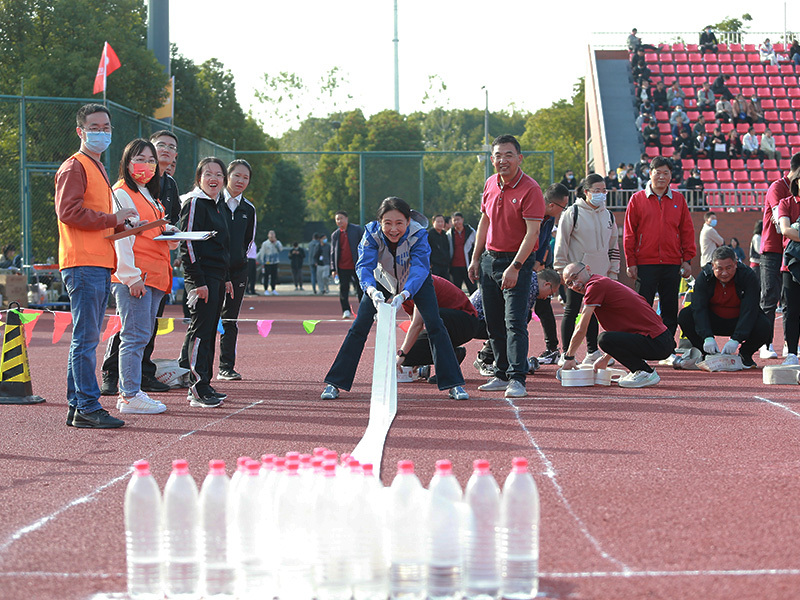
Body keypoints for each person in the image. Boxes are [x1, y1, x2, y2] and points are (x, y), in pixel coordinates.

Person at [320, 197, 469, 401]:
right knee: (359, 326)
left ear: (408, 221)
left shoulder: (418, 234)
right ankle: (335, 383)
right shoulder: (371, 234)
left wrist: (406, 293)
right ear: (380, 222)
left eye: (399, 223)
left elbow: (419, 267)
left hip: (417, 281)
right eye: (387, 223)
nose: (393, 229)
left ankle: (454, 384)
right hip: (382, 279)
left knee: (435, 324)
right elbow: (364, 265)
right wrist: (371, 290)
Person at [55, 103, 138, 428]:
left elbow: (91, 216)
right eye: (95, 126)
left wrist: (120, 227)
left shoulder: (96, 168)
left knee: (85, 336)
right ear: (80, 130)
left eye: (106, 127)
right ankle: (87, 405)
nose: (102, 132)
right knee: (86, 338)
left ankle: (79, 405)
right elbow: (69, 212)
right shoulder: (75, 166)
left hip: (98, 261)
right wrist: (113, 219)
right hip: (83, 262)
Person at [101, 129, 182, 397]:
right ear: (126, 162)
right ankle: (130, 394)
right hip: (138, 277)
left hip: (156, 276)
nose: (146, 165)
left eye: (150, 160)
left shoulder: (150, 194)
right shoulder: (122, 193)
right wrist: (130, 275)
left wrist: (171, 236)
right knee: (134, 338)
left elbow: (152, 232)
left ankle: (133, 391)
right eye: (140, 158)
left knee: (142, 337)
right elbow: (120, 238)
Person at [467, 134, 545, 399]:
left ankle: (517, 378)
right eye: (498, 155)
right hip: (489, 260)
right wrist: (476, 257)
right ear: (492, 159)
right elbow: (484, 223)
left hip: (516, 262)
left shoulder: (531, 189)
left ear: (519, 158)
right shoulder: (490, 183)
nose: (503, 160)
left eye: (508, 155)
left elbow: (532, 233)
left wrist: (516, 266)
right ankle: (500, 374)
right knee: (494, 321)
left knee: (515, 322)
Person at [560, 262, 673, 388]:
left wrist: (569, 357)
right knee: (609, 339)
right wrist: (605, 359)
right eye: (569, 283)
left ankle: (644, 372)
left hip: (657, 341)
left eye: (575, 277)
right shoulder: (600, 282)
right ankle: (640, 370)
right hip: (661, 340)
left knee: (604, 339)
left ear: (587, 268)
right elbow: (624, 333)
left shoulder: (595, 286)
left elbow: (581, 327)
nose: (575, 285)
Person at [178, 157, 233, 407]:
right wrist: (198, 281)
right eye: (208, 174)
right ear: (199, 177)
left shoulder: (217, 205)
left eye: (219, 175)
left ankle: (205, 384)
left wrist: (227, 278)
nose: (214, 179)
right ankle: (196, 388)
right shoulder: (194, 203)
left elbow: (222, 246)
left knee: (210, 331)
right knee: (201, 332)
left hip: (217, 277)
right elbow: (186, 242)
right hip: (202, 279)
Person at [624, 156, 696, 341]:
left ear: (671, 175)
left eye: (666, 173)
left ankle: (666, 344)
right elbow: (629, 233)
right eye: (658, 172)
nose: (662, 177)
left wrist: (687, 260)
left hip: (672, 262)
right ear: (650, 173)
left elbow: (687, 230)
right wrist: (630, 262)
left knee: (670, 307)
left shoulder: (679, 200)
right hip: (644, 263)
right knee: (642, 306)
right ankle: (640, 341)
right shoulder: (637, 199)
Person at [554, 172, 620, 366]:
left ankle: (592, 351)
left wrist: (613, 270)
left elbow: (613, 245)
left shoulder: (608, 215)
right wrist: (561, 269)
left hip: (600, 275)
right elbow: (562, 242)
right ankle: (566, 352)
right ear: (586, 192)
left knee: (594, 312)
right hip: (577, 275)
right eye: (596, 190)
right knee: (572, 311)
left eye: (603, 190)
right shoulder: (572, 213)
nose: (601, 194)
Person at [676, 246, 770, 370]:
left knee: (764, 324)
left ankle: (745, 354)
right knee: (685, 316)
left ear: (736, 264)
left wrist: (736, 339)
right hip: (713, 320)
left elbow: (750, 309)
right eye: (719, 268)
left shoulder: (748, 276)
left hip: (738, 320)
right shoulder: (704, 277)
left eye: (729, 268)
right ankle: (707, 353)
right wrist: (707, 337)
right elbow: (699, 308)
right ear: (712, 266)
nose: (724, 273)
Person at [470, 268, 563, 374]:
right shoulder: (531, 287)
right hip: (477, 321)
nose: (546, 297)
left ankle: (495, 355)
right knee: (514, 324)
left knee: (519, 319)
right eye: (550, 293)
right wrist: (520, 362)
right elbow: (518, 327)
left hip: (476, 317)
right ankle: (485, 359)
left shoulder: (528, 277)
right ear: (546, 284)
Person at [396, 275, 481, 383]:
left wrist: (402, 353)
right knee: (409, 357)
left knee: (432, 315)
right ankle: (454, 354)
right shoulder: (405, 296)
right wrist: (415, 356)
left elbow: (417, 325)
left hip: (465, 322)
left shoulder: (420, 283)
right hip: (445, 322)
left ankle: (447, 371)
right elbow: (416, 328)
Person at [217, 159, 257, 381]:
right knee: (204, 319)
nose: (241, 181)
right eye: (237, 176)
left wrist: (235, 267)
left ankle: (226, 366)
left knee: (230, 319)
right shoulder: (213, 203)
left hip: (238, 270)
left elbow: (248, 242)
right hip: (213, 271)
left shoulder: (248, 209)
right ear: (227, 176)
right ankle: (189, 366)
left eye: (245, 177)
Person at [758, 153, 800, 360]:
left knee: (789, 300)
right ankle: (765, 344)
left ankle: (788, 343)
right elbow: (779, 221)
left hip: (792, 249)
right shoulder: (777, 188)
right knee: (769, 297)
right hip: (774, 249)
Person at [533, 183, 568, 364]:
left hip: (537, 267)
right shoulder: (533, 211)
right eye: (563, 207)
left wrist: (540, 265)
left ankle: (552, 349)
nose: (564, 212)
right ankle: (494, 352)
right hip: (519, 265)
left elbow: (545, 242)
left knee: (544, 306)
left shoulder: (550, 218)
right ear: (553, 205)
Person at [777, 166, 800, 365]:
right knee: (792, 310)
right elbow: (786, 230)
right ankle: (792, 352)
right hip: (792, 264)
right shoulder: (785, 203)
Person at [330, 210, 364, 318]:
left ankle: (364, 311)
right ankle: (346, 310)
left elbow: (365, 246)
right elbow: (332, 252)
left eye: (341, 218)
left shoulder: (357, 230)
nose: (339, 221)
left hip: (357, 266)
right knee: (343, 290)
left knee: (361, 289)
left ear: (346, 219)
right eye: (337, 219)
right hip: (342, 267)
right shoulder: (335, 235)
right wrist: (333, 269)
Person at [446, 212, 477, 294]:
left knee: (473, 289)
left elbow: (477, 246)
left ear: (462, 220)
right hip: (454, 267)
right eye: (454, 220)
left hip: (469, 266)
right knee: (456, 291)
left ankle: (475, 307)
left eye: (458, 219)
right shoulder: (449, 234)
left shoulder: (471, 232)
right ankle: (458, 307)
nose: (457, 222)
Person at [257, 230, 282, 295]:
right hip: (267, 262)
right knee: (266, 276)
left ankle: (273, 289)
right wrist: (262, 261)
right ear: (268, 235)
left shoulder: (277, 242)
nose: (272, 236)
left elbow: (281, 249)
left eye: (273, 235)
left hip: (275, 262)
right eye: (270, 235)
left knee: (274, 276)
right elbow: (262, 252)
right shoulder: (265, 243)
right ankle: (266, 289)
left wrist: (275, 243)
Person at [428, 214, 451, 279]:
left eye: (442, 221)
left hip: (444, 265)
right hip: (434, 266)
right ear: (433, 222)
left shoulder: (444, 234)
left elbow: (447, 249)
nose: (440, 223)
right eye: (438, 222)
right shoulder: (429, 234)